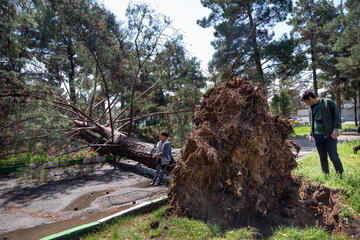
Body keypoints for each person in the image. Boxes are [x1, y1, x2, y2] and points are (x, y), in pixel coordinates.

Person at [301, 91, 344, 177]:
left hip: (330, 134)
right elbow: (312, 121)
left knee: (333, 157)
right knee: (322, 157)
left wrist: (336, 129)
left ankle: (340, 175)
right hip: (318, 136)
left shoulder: (328, 102)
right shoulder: (311, 108)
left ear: (310, 98)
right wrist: (311, 133)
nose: (307, 104)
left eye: (306, 102)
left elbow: (336, 115)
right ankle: (326, 175)